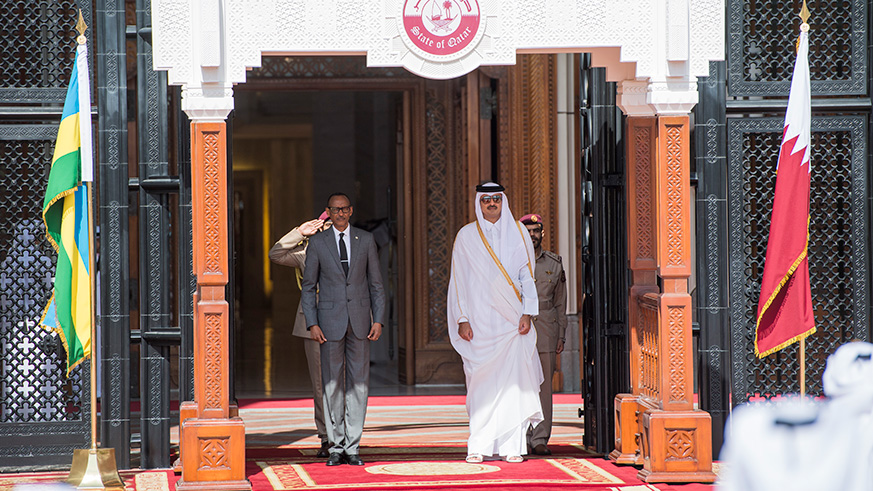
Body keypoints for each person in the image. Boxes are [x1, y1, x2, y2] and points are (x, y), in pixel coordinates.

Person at [447, 182, 544, 463]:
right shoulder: (466, 236)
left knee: (514, 384)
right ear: (479, 203)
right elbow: (458, 281)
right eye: (486, 199)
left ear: (503, 201)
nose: (491, 203)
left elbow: (527, 277)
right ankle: (477, 446)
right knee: (480, 387)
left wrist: (527, 313)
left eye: (496, 199)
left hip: (512, 323)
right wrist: (462, 319)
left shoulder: (519, 233)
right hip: (478, 325)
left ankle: (512, 447)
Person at [301, 193, 386, 467]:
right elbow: (308, 286)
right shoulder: (318, 242)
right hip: (328, 323)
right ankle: (335, 446)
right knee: (332, 384)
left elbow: (376, 284)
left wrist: (378, 319)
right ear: (328, 211)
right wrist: (312, 323)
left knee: (359, 385)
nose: (340, 213)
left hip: (361, 322)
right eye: (335, 209)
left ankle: (353, 446)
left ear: (351, 211)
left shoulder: (366, 240)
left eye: (344, 209)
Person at [268, 212, 332, 458]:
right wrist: (299, 232)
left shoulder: (351, 249)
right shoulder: (306, 252)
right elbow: (276, 254)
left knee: (347, 382)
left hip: (345, 320)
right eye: (324, 225)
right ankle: (326, 437)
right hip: (313, 320)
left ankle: (347, 436)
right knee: (320, 383)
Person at [519, 213, 568, 456]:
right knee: (518, 384)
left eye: (536, 231)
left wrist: (561, 334)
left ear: (542, 233)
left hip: (546, 329)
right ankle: (520, 437)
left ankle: (539, 438)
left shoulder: (554, 263)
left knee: (544, 385)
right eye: (527, 231)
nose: (532, 235)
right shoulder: (512, 261)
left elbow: (560, 302)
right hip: (518, 330)